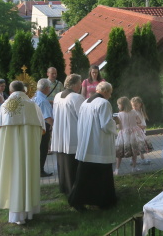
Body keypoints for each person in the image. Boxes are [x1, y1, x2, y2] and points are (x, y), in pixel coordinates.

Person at [0, 80, 45, 224]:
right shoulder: (32, 105)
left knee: (13, 175)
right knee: (27, 174)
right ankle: (30, 211)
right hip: (28, 150)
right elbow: (42, 129)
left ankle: (16, 214)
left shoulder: (4, 106)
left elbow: (0, 130)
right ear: (24, 91)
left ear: (10, 92)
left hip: (11, 151)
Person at [69, 81, 118, 211]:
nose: (110, 96)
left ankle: (78, 200)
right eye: (110, 93)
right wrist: (115, 124)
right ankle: (102, 201)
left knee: (85, 175)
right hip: (98, 145)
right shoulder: (104, 103)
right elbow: (106, 125)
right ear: (106, 92)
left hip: (86, 143)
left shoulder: (85, 102)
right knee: (101, 175)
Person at [51, 74, 85, 195]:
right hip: (72, 135)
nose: (81, 85)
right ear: (75, 84)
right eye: (80, 83)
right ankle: (74, 190)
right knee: (72, 165)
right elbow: (82, 117)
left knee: (62, 163)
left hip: (60, 134)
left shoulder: (57, 96)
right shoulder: (77, 97)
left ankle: (64, 188)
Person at [33, 78, 55, 177]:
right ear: (46, 88)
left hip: (35, 126)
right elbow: (48, 118)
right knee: (43, 148)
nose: (50, 89)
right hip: (43, 127)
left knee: (38, 149)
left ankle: (36, 168)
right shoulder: (43, 101)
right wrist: (55, 127)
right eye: (49, 87)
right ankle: (40, 170)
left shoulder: (35, 97)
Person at [114, 96, 139, 174]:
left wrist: (116, 124)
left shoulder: (119, 114)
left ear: (122, 105)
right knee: (134, 150)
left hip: (123, 134)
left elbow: (119, 127)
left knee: (120, 152)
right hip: (133, 133)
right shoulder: (134, 112)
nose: (118, 106)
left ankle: (117, 170)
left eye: (118, 104)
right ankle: (134, 168)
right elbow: (139, 121)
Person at [131, 96, 152, 165]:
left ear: (140, 104)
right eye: (133, 106)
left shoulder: (141, 111)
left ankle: (134, 160)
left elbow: (142, 121)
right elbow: (133, 123)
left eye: (136, 106)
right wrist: (141, 126)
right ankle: (140, 159)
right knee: (139, 146)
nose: (134, 107)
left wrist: (143, 127)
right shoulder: (133, 112)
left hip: (141, 131)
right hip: (136, 131)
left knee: (139, 146)